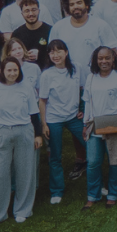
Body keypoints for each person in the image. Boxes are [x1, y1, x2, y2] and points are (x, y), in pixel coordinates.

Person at [0, 57, 43, 228]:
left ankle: (22, 210)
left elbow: (34, 113)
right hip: (0, 132)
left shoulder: (26, 88)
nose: (12, 73)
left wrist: (38, 135)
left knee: (25, 171)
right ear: (2, 71)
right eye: (9, 70)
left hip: (24, 130)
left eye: (15, 70)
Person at [80, 46, 117, 209]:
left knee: (115, 161)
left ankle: (112, 194)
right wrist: (85, 123)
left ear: (113, 59)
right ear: (96, 60)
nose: (104, 61)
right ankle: (93, 195)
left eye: (107, 58)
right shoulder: (91, 78)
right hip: (94, 125)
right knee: (93, 161)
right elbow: (87, 101)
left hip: (115, 124)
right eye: (100, 58)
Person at [36, 40, 83, 206]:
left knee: (92, 147)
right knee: (55, 155)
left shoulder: (76, 68)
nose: (55, 55)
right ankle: (57, 190)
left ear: (66, 52)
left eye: (59, 51)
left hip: (73, 117)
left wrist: (82, 107)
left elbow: (82, 89)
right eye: (51, 52)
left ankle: (96, 185)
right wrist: (44, 124)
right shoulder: (47, 75)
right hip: (54, 119)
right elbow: (42, 101)